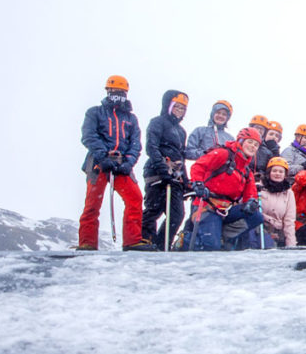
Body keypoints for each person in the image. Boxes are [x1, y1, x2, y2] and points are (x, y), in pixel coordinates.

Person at [78, 75, 152, 251]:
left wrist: (128, 162)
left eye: (121, 92)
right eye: (114, 91)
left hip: (122, 167)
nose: (117, 95)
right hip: (98, 165)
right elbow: (89, 135)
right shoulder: (94, 112)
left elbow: (136, 143)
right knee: (92, 204)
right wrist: (103, 156)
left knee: (135, 198)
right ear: (107, 91)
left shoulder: (131, 119)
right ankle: (87, 243)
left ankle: (132, 241)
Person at [186, 127, 265, 251]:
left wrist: (251, 202)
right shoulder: (223, 154)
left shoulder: (246, 170)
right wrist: (198, 183)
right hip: (208, 207)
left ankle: (221, 234)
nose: (252, 146)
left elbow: (251, 194)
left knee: (256, 216)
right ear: (241, 141)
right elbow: (199, 166)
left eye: (256, 145)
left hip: (226, 210)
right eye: (249, 142)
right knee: (212, 248)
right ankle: (203, 238)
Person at [141, 90, 189, 250]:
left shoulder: (181, 132)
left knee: (177, 214)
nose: (180, 111)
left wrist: (186, 182)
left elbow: (181, 157)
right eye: (177, 107)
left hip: (175, 176)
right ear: (168, 105)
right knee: (153, 210)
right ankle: (145, 241)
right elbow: (151, 147)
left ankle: (161, 244)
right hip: (156, 173)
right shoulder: (157, 122)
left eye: (183, 108)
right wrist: (162, 168)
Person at [256, 156, 297, 248]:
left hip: (277, 230)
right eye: (274, 171)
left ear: (285, 175)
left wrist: (291, 245)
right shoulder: (258, 188)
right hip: (258, 226)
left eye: (281, 171)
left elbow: (289, 220)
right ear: (269, 172)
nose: (277, 174)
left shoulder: (289, 193)